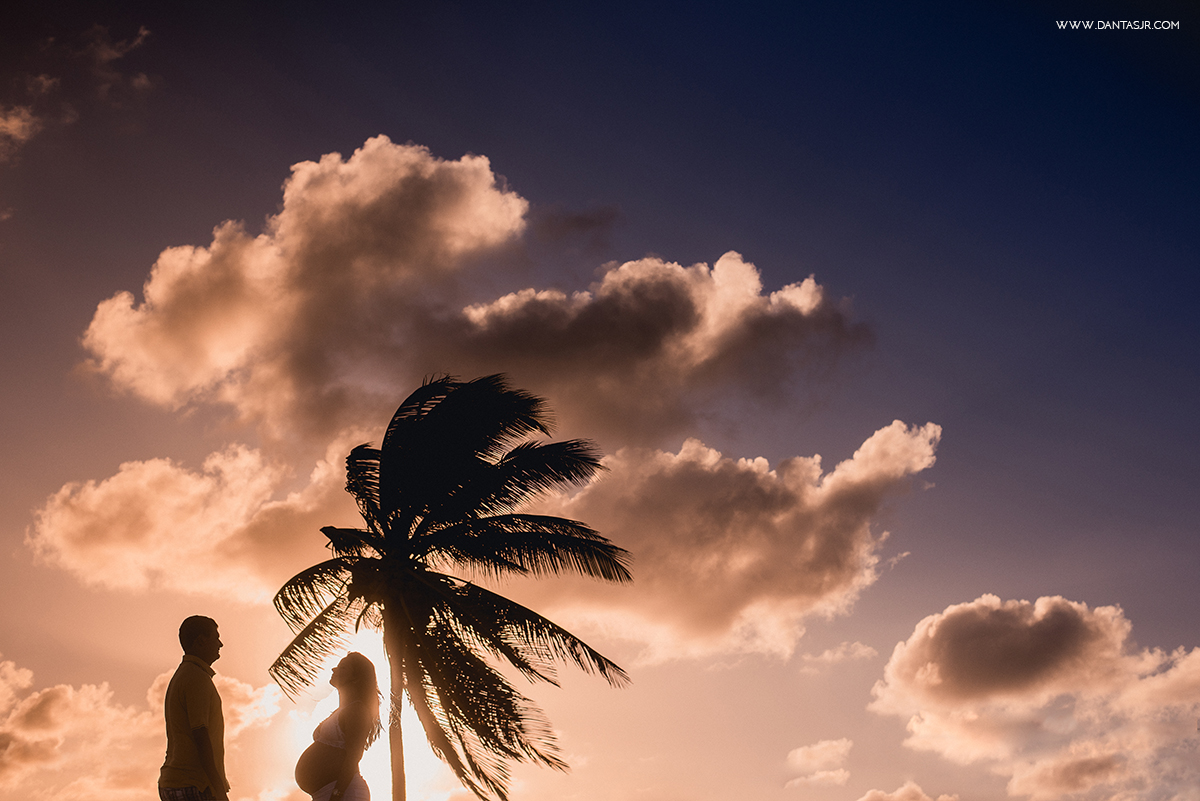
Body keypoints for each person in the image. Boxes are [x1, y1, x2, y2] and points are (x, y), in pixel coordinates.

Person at [294, 652, 382, 801]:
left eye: (342, 668)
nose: (333, 669)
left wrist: (338, 793)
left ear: (355, 678)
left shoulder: (357, 710)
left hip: (343, 793)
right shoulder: (343, 709)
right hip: (327, 793)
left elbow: (354, 755)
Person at [159, 616, 230, 801]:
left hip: (181, 782)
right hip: (192, 784)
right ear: (200, 641)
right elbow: (200, 735)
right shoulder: (196, 678)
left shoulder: (186, 675)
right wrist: (218, 786)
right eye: (216, 638)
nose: (220, 644)